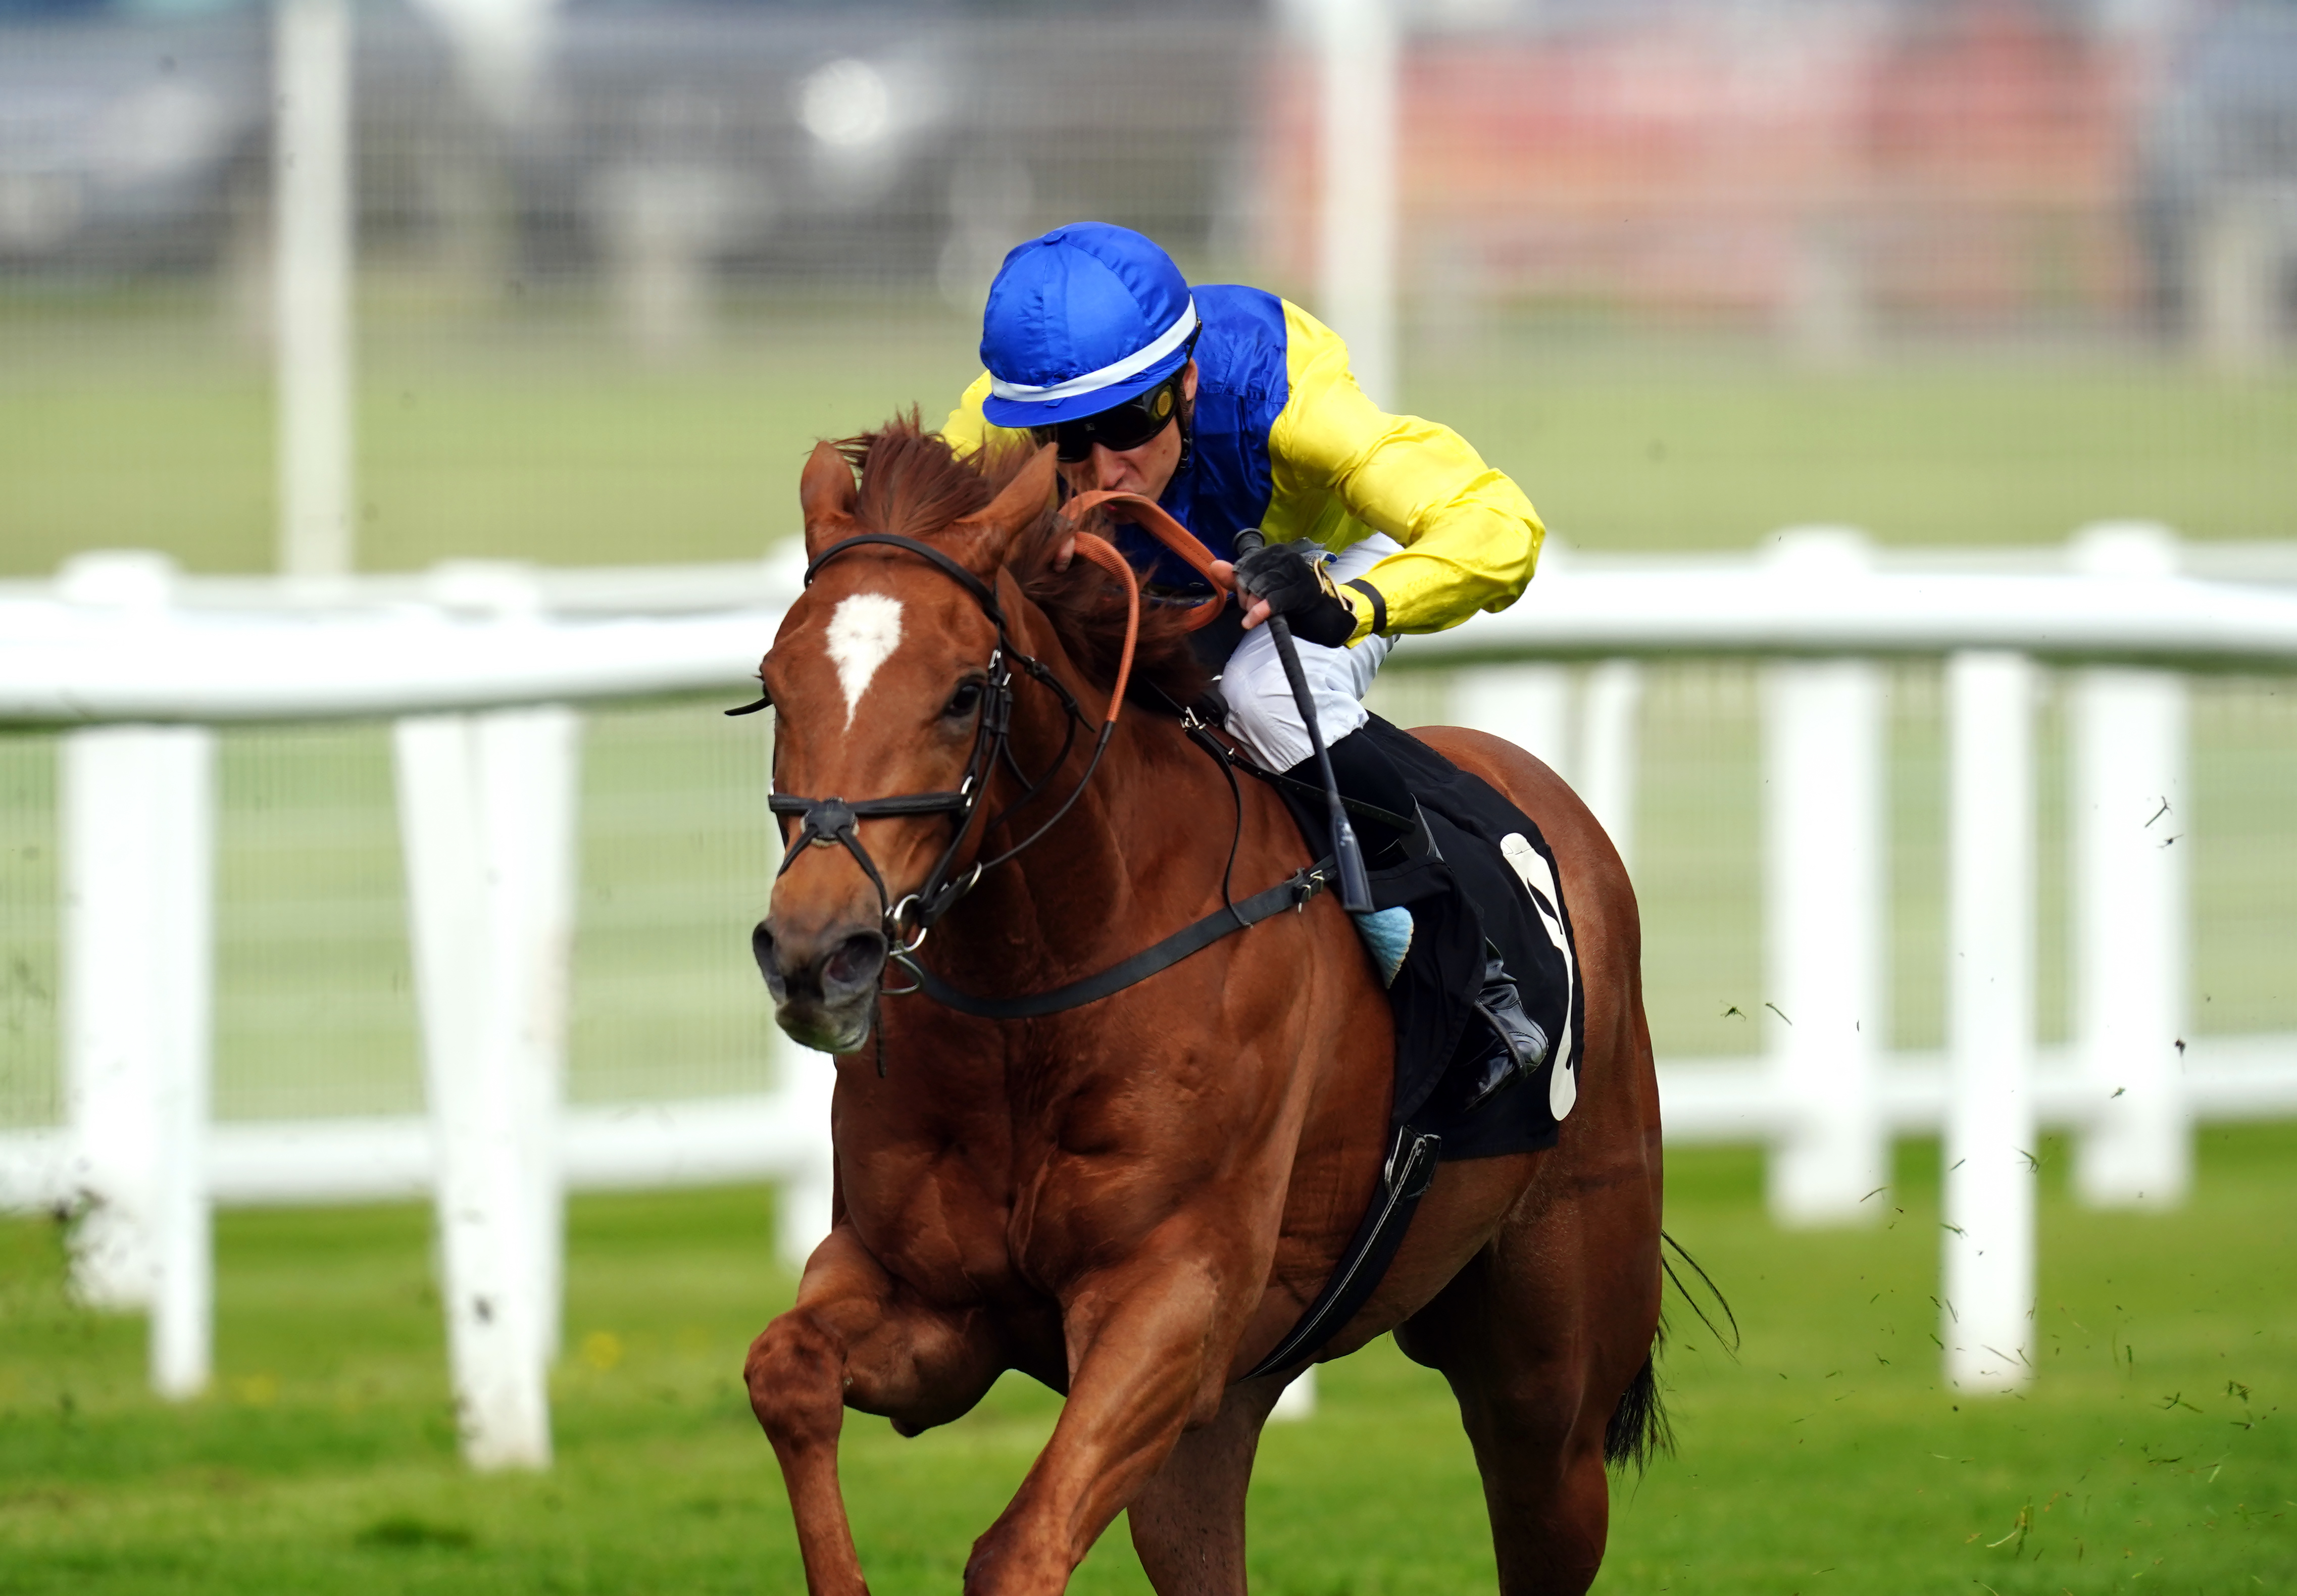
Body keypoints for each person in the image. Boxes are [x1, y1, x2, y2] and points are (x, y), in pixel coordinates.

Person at [942, 221, 1552, 1107]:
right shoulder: (990, 439)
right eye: (1062, 443)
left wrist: (1347, 606)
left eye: (1125, 423)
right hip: (1155, 587)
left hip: (1323, 559)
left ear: (1186, 385)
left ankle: (1466, 967)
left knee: (1262, 690)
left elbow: (1499, 524)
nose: (1100, 468)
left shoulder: (1287, 398)